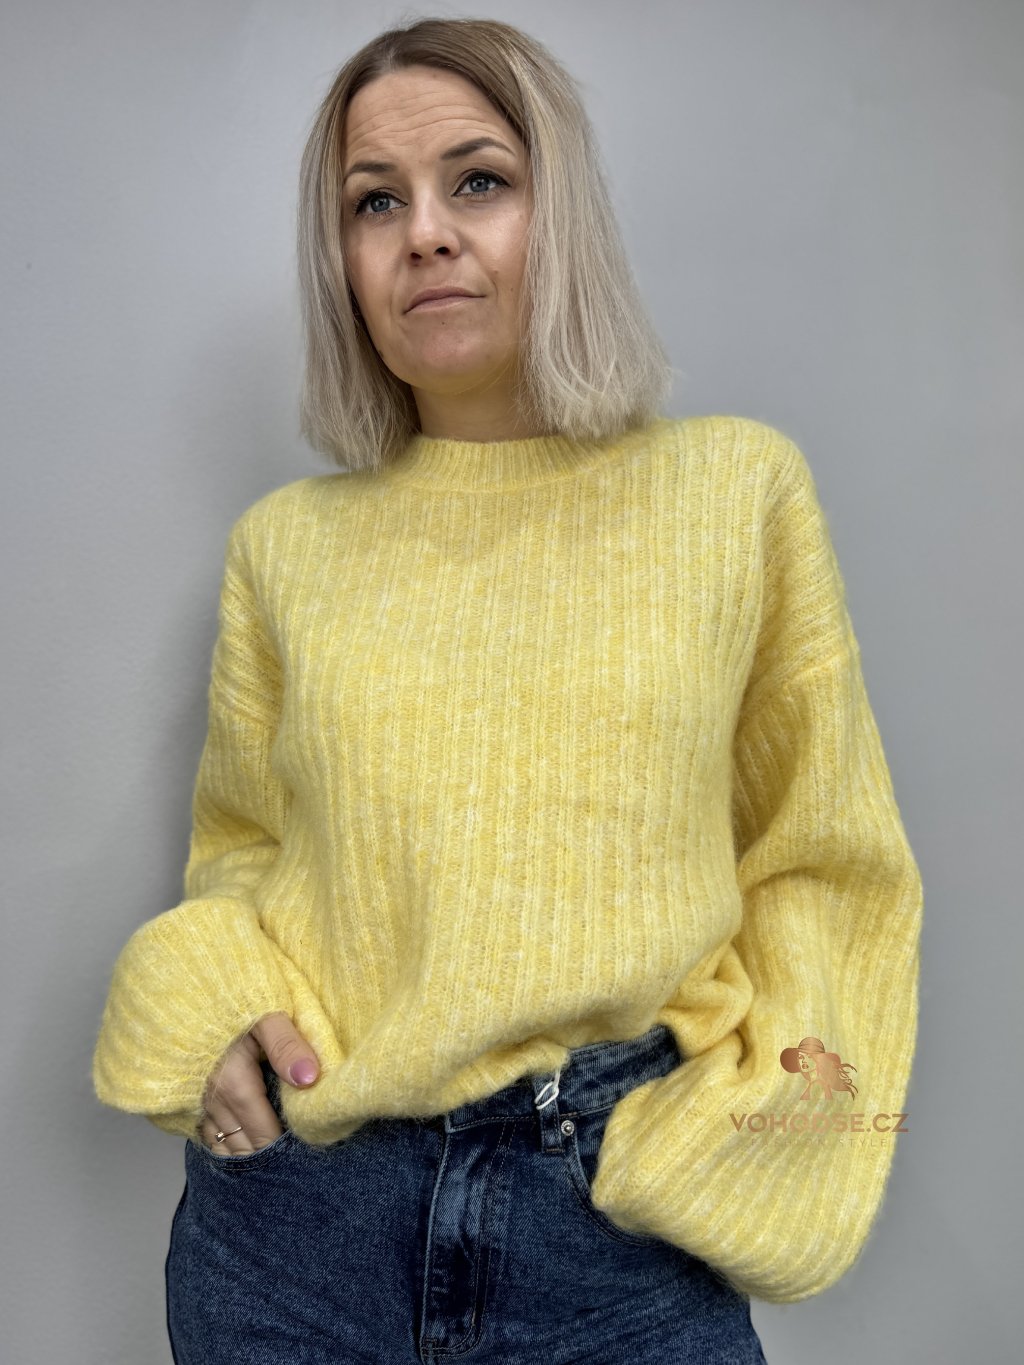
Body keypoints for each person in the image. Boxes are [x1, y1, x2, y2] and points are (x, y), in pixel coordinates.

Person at [91, 16, 922, 1364]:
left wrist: (754, 1147)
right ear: (343, 260)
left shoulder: (735, 494)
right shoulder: (284, 549)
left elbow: (829, 868)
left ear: (562, 210)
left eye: (477, 180)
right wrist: (214, 994)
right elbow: (245, 854)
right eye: (375, 202)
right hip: (297, 1239)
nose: (424, 233)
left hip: (612, 1240)